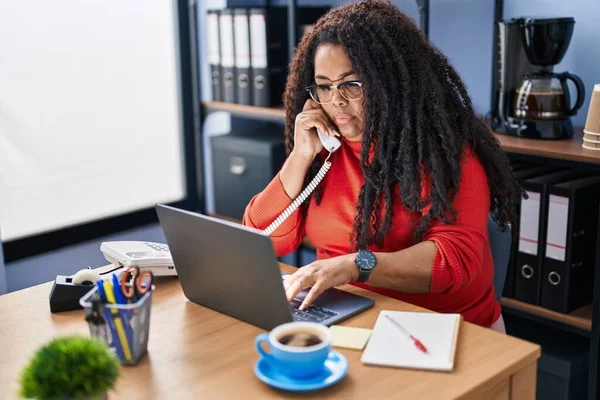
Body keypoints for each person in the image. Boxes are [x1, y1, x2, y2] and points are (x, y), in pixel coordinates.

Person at [242, 0, 524, 333]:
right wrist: (300, 157)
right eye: (324, 86)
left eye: (352, 84)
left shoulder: (444, 152)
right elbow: (262, 241)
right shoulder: (324, 149)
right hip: (349, 320)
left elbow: (455, 261)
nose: (336, 101)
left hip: (444, 330)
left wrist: (354, 266)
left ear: (390, 82)